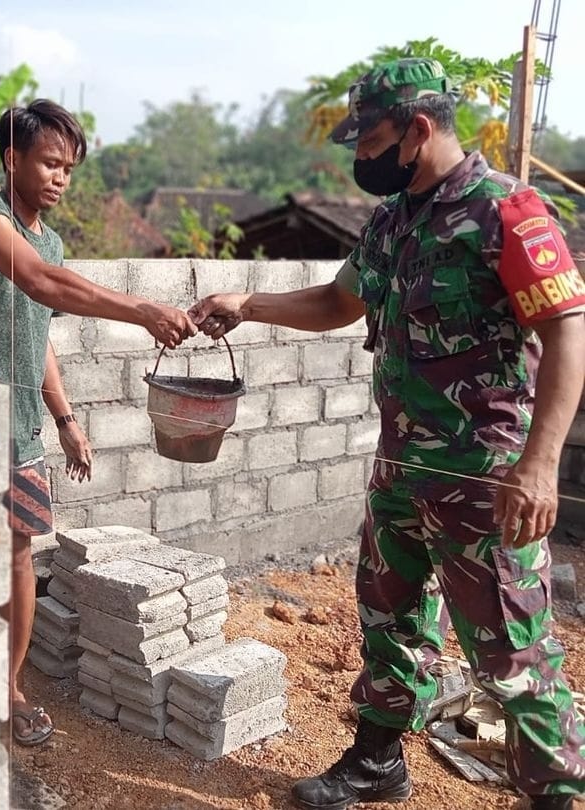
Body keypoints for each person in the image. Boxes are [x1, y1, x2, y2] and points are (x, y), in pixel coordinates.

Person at [189, 58, 585, 809]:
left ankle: (557, 794)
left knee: (511, 649)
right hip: (401, 469)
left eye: (369, 140)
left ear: (419, 129)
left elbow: (568, 330)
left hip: (482, 481)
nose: (359, 157)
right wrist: (249, 303)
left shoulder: (508, 211)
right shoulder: (394, 218)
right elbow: (340, 301)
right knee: (389, 616)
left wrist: (540, 465)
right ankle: (377, 761)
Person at [0, 98, 196, 747]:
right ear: (12, 157)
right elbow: (43, 283)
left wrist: (66, 418)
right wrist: (142, 310)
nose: (59, 178)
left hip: (19, 431)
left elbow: (37, 329)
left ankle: (8, 690)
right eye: (50, 162)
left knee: (20, 556)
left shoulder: (50, 239)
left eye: (68, 168)